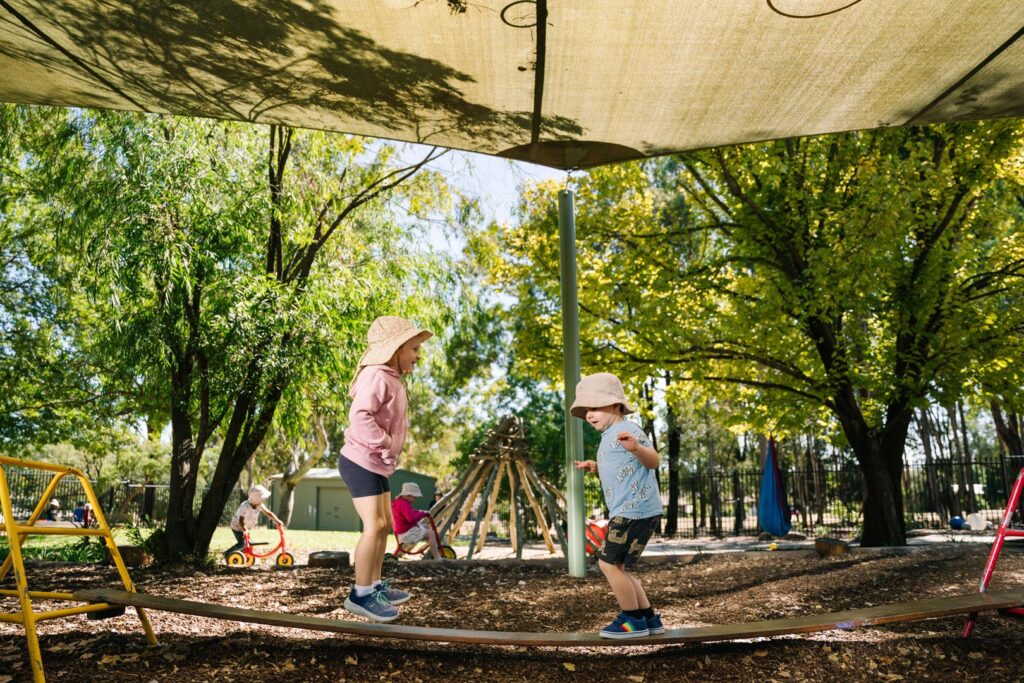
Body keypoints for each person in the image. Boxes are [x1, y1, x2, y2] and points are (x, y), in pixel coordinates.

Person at [339, 315, 431, 622]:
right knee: (374, 526)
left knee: (384, 524)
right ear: (396, 349)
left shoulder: (391, 377)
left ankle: (375, 585)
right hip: (359, 461)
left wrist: (387, 449)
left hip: (375, 463)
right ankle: (360, 594)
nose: (419, 355)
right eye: (414, 348)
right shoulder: (377, 375)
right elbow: (360, 415)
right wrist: (387, 442)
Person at [571, 372, 665, 639]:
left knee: (608, 565)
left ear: (615, 405)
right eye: (586, 409)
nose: (589, 414)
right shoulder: (610, 434)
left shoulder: (629, 431)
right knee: (618, 567)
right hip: (634, 510)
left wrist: (637, 448)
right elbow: (622, 468)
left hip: (632, 510)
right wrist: (596, 467)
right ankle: (648, 617)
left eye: (595, 407)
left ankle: (632, 620)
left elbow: (653, 461)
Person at [224, 485, 283, 558]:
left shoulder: (259, 505)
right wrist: (245, 530)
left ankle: (243, 556)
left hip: (246, 528)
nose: (264, 500)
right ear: (257, 498)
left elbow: (269, 513)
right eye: (262, 498)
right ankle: (228, 554)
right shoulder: (245, 506)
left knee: (249, 544)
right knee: (244, 543)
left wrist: (277, 521)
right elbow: (241, 520)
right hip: (237, 527)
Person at [392, 482, 443, 560]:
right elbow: (411, 518)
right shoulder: (404, 504)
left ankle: (430, 547)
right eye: (415, 497)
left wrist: (420, 511)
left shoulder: (399, 502)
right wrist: (422, 513)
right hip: (406, 534)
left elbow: (409, 513)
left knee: (425, 526)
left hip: (402, 531)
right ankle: (437, 557)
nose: (415, 499)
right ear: (408, 495)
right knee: (431, 533)